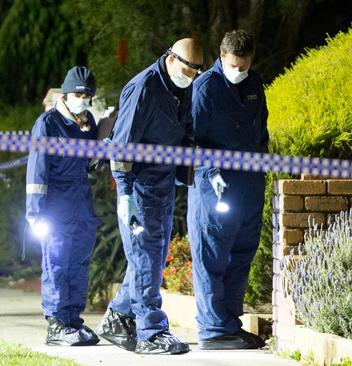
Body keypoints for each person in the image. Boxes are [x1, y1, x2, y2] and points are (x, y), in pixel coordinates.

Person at [95, 38, 203, 355]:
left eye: (196, 72)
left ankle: (118, 317)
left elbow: (184, 131)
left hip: (163, 183)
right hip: (139, 186)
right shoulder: (143, 87)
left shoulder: (182, 87)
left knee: (152, 257)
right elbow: (122, 146)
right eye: (187, 70)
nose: (191, 78)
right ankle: (151, 331)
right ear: (170, 59)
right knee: (145, 256)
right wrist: (125, 194)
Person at [188, 29, 269, 350]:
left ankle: (230, 324)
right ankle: (212, 329)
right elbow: (191, 138)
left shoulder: (253, 85)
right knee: (212, 256)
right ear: (221, 58)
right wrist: (211, 173)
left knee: (242, 253)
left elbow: (260, 130)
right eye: (235, 66)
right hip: (214, 188)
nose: (240, 72)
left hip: (248, 183)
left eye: (245, 66)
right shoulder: (204, 87)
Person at [25, 66, 100, 346]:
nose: (83, 98)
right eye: (78, 93)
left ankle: (72, 320)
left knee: (78, 262)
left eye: (87, 94)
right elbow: (37, 171)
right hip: (56, 205)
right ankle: (56, 324)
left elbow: (90, 160)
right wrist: (34, 212)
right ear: (66, 93)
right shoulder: (48, 123)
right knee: (56, 263)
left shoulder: (87, 121)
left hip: (81, 201)